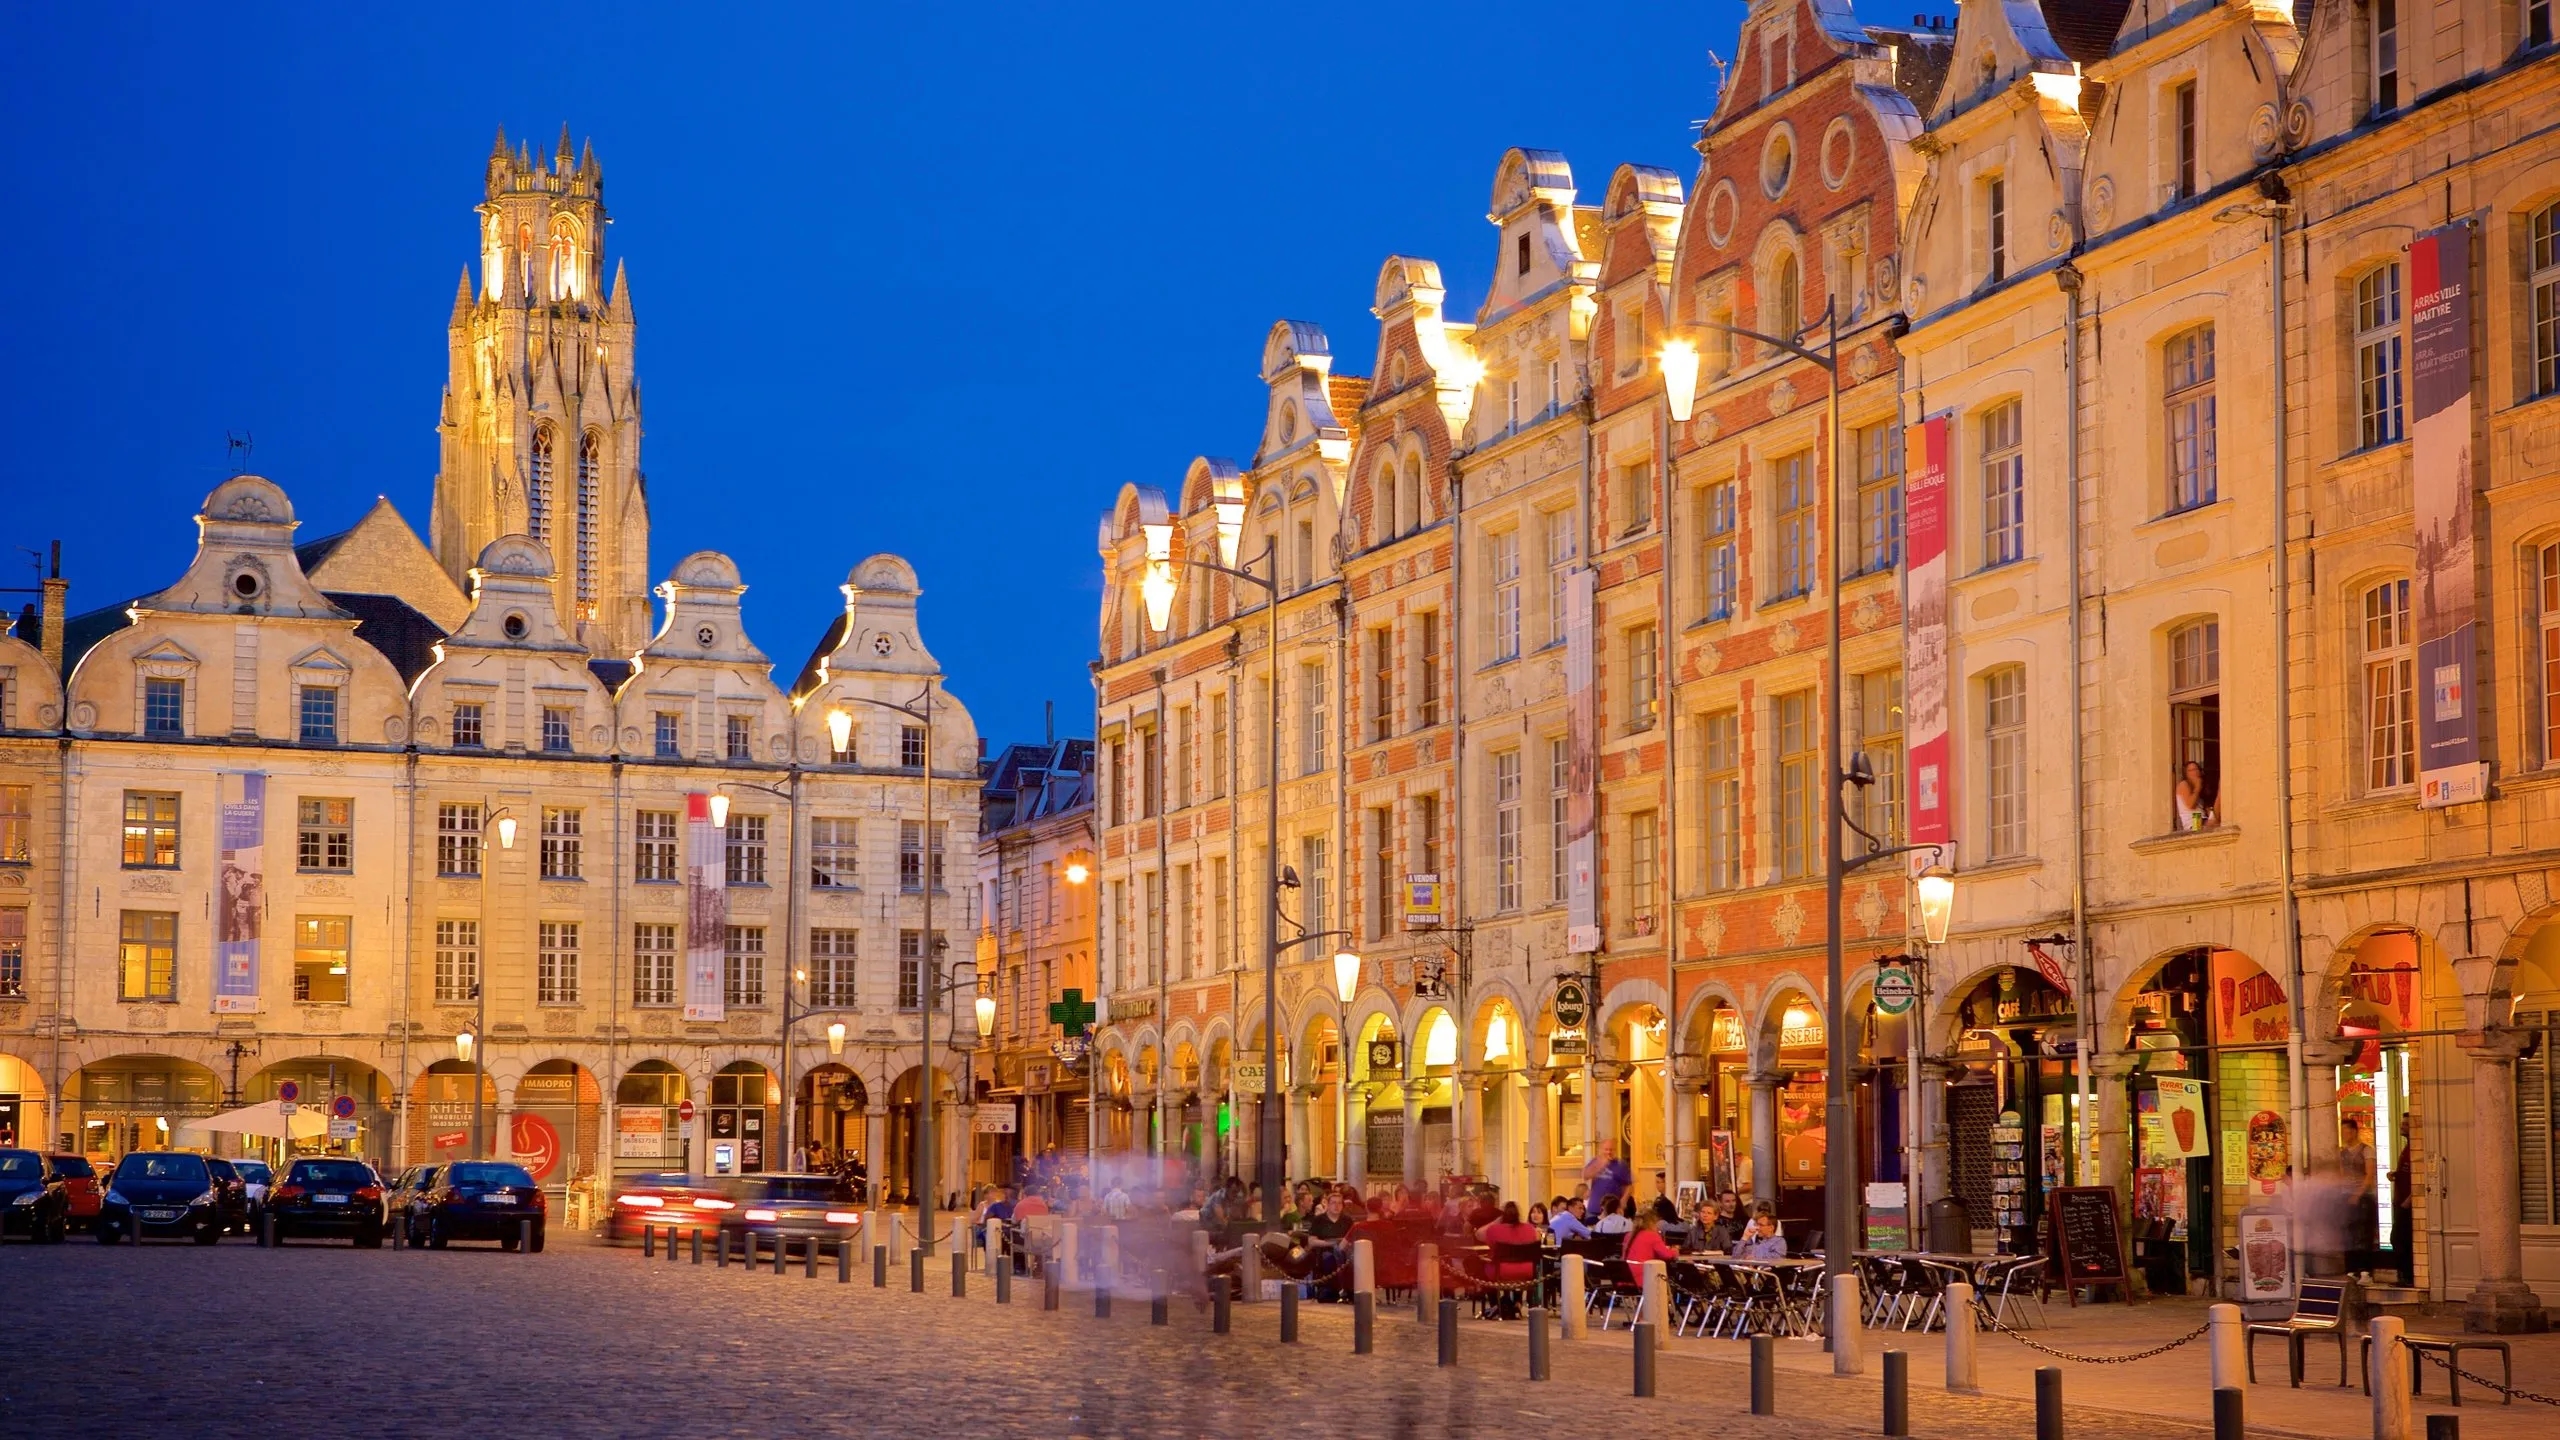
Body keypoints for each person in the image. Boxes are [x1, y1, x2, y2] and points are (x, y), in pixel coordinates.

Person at [1476, 1201, 1543, 1319]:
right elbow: (1537, 1239)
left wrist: (1497, 1220)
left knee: (1482, 1268)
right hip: (1526, 1272)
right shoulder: (1529, 1229)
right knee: (1518, 1265)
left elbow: (1478, 1234)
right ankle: (1517, 1303)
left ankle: (1495, 1304)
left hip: (1500, 1272)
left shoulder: (1494, 1230)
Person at [2339, 1115, 2378, 1279]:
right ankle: (2351, 1268)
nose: (2344, 1135)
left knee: (2363, 1232)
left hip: (2363, 1196)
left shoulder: (2366, 1150)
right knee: (2349, 1233)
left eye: (2346, 1131)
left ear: (2354, 1131)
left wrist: (2358, 1193)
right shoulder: (2342, 1153)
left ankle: (2365, 1270)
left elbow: (2369, 1174)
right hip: (2345, 1194)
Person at [2388, 1113, 2418, 1286]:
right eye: (2402, 1123)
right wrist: (2395, 1175)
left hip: (2407, 1203)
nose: (2402, 1126)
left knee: (2399, 1238)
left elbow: (2420, 1176)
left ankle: (2407, 1276)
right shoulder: (2407, 1148)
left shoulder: (2415, 1149)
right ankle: (2405, 1275)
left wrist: (2409, 1200)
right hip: (2401, 1201)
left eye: (2406, 1124)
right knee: (2400, 1238)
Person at [1585, 1140, 1632, 1215]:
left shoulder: (1621, 1165)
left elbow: (1629, 1185)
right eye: (1606, 1149)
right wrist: (1600, 1166)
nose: (1608, 1152)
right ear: (1601, 1150)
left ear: (1615, 1150)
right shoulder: (1595, 1161)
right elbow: (1585, 1175)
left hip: (1612, 1209)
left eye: (1611, 1149)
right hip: (1594, 1208)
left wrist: (1624, 1199)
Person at [2173, 759, 2218, 832]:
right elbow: (2190, 805)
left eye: (2196, 769)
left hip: (2203, 820)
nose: (2195, 772)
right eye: (2191, 770)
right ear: (2186, 774)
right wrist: (2197, 787)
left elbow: (2205, 808)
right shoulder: (2183, 784)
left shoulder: (2199, 790)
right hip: (2192, 824)